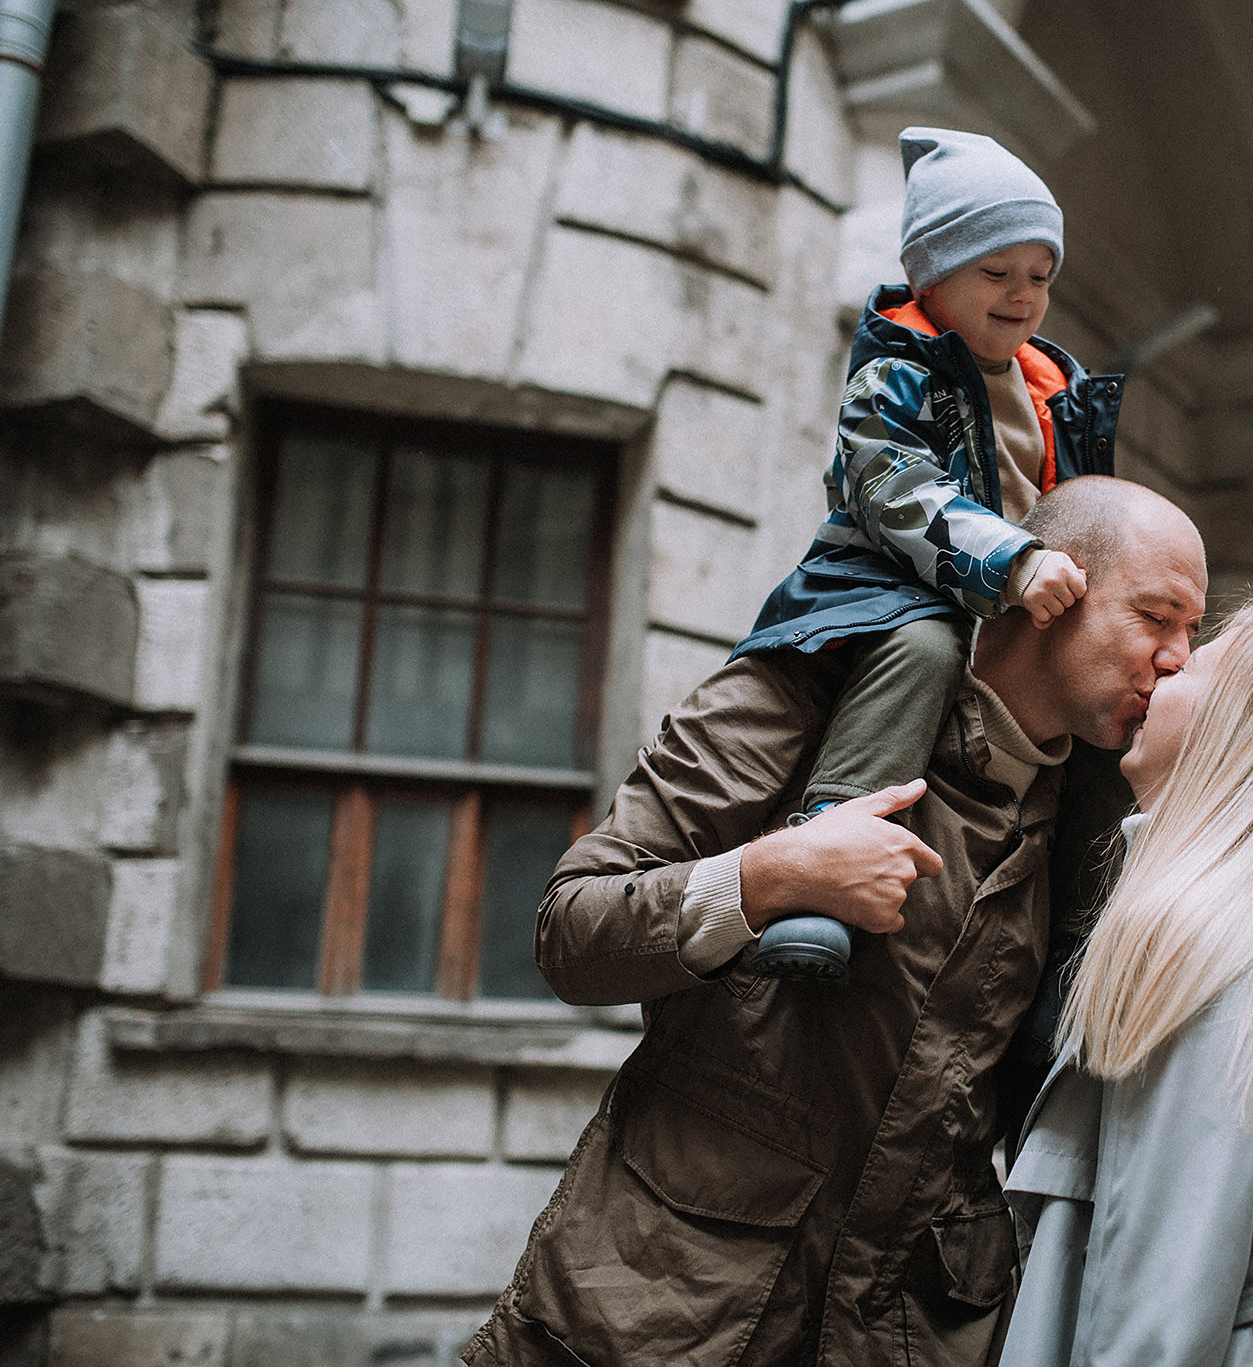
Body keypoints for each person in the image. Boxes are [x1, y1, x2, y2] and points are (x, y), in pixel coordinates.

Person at [463, 477, 1207, 1367]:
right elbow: (570, 930)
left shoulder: (1093, 827)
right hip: (651, 1315)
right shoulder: (822, 679)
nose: (1177, 658)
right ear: (1053, 588)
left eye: (1192, 633)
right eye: (1157, 617)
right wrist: (770, 875)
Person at [730, 125, 1121, 981]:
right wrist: (1010, 562)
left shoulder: (1055, 386)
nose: (1023, 295)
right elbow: (895, 486)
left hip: (1026, 600)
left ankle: (1093, 936)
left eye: (1040, 276)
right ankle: (823, 860)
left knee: (1115, 707)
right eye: (996, 273)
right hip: (894, 585)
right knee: (921, 646)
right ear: (929, 274)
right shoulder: (895, 373)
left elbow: (1094, 507)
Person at [1001, 596, 1253, 1367]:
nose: (1168, 665)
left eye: (1201, 659)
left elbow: (1152, 1319)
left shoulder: (1213, 949)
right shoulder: (1250, 938)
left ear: (1240, 734)